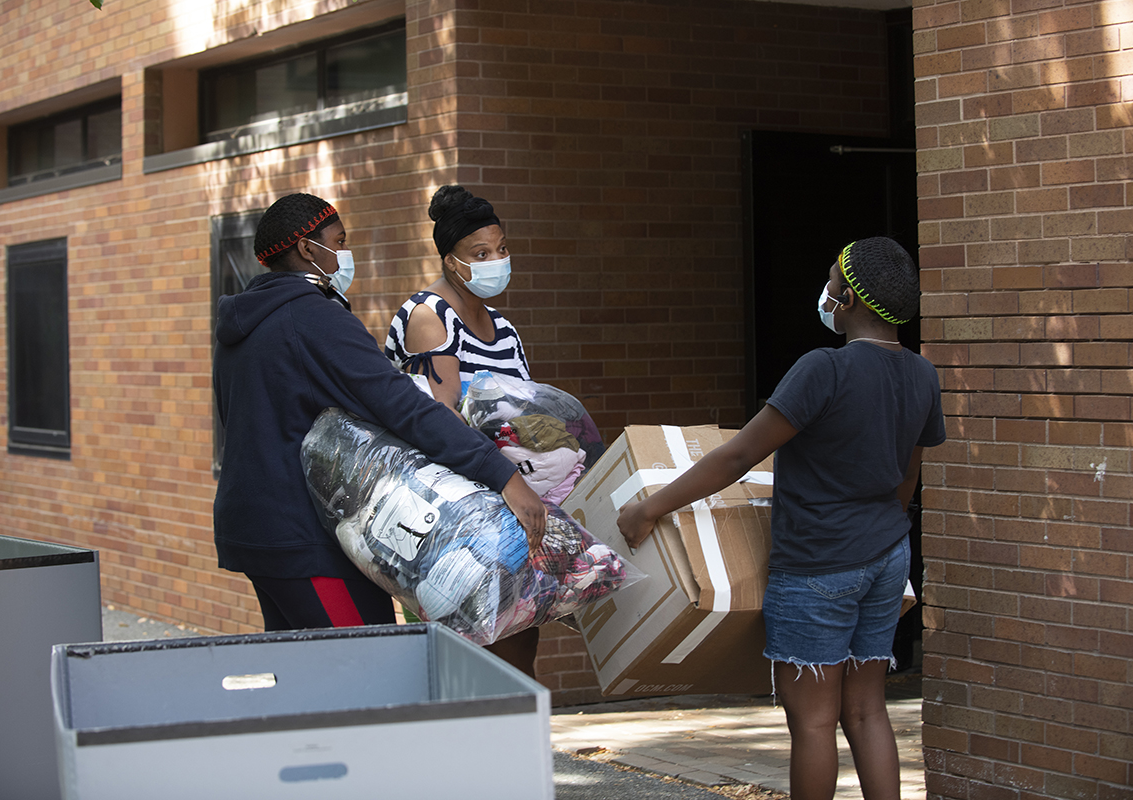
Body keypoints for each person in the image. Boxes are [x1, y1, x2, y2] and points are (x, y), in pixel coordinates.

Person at [617, 237, 944, 800]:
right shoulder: (921, 374)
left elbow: (740, 455)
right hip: (888, 556)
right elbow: (906, 478)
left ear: (853, 301)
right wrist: (878, 532)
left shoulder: (823, 369)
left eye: (834, 282)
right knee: (867, 710)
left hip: (819, 563)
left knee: (813, 722)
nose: (828, 292)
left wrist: (649, 507)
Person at [212, 192, 546, 633]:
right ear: (309, 250)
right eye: (339, 240)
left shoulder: (246, 322)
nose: (346, 253)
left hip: (256, 529)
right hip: (304, 536)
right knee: (369, 671)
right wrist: (502, 475)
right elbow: (404, 407)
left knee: (308, 682)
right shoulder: (313, 316)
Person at [383, 184, 540, 676]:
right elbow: (440, 416)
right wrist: (505, 476)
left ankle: (511, 750)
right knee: (462, 659)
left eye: (502, 249)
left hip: (502, 504)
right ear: (452, 261)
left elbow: (527, 415)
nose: (497, 260)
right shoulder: (430, 318)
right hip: (445, 513)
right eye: (481, 253)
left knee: (516, 651)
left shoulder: (505, 329)